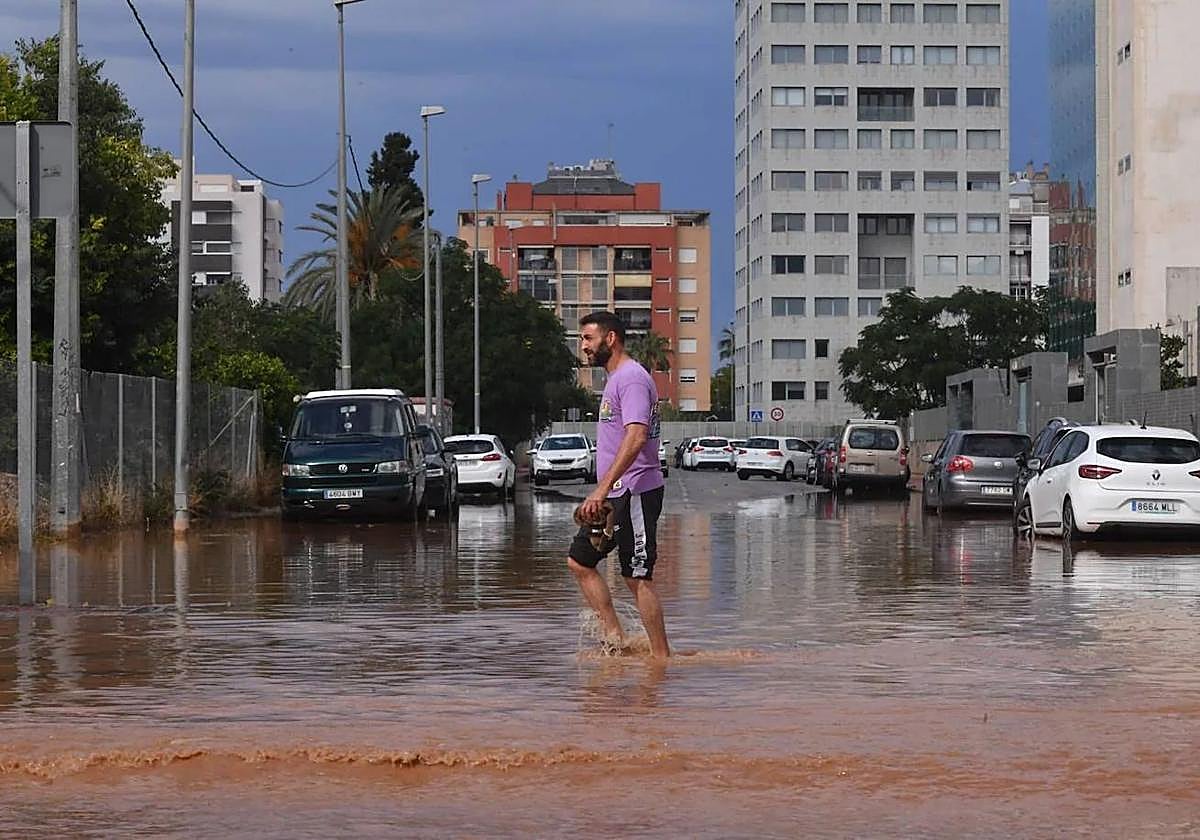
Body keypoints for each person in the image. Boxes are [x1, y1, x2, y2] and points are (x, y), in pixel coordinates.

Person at [568, 311, 670, 658]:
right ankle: (616, 639)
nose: (583, 346)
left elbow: (637, 435)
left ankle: (661, 659)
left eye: (588, 338)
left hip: (637, 489)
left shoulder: (631, 378)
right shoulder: (614, 381)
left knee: (637, 575)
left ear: (610, 338)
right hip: (614, 493)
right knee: (580, 562)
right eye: (582, 339)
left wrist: (601, 488)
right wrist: (604, 491)